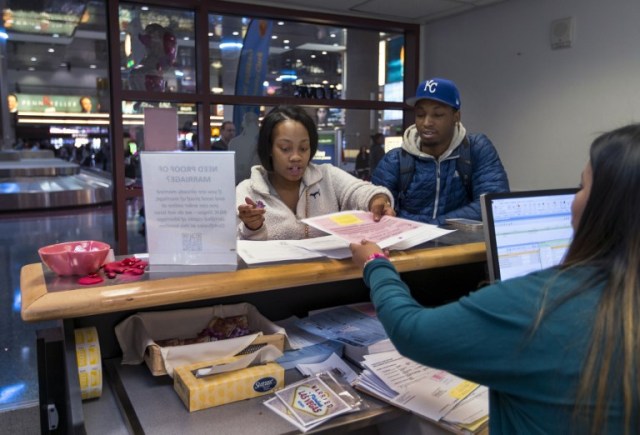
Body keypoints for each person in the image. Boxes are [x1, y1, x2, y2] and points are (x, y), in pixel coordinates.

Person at [350, 123, 640, 434]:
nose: (573, 200)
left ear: (605, 207)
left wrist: (376, 264)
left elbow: (411, 332)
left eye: (582, 187)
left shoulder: (540, 305)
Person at [236, 105, 395, 240]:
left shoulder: (327, 176)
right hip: (273, 275)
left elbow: (360, 191)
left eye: (304, 148)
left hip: (331, 275)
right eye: (285, 149)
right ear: (269, 148)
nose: (296, 157)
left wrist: (377, 200)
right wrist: (253, 227)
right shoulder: (248, 191)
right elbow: (235, 245)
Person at [372, 78, 509, 225]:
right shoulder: (395, 160)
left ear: (456, 117)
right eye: (420, 115)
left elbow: (494, 203)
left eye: (437, 115)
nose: (426, 123)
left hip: (461, 246)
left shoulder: (476, 149)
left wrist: (433, 228)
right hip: (408, 246)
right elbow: (376, 211)